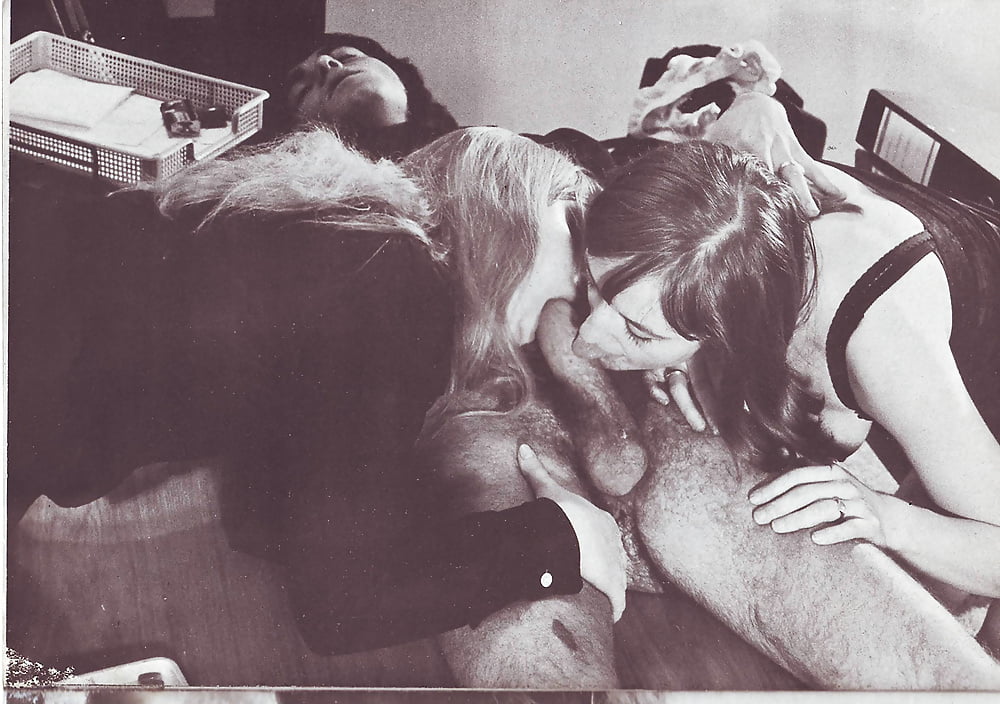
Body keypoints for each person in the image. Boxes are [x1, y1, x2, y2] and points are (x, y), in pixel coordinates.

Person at [6, 125, 627, 657]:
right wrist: (561, 538)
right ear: (504, 203)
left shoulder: (349, 234)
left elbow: (269, 515)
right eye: (575, 232)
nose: (581, 286)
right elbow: (344, 605)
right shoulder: (398, 286)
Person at [571, 138, 1000, 646]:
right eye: (595, 287)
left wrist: (891, 519)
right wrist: (667, 349)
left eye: (638, 331)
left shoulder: (885, 347)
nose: (585, 341)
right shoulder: (720, 213)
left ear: (734, 328)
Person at [276, 32, 458, 159]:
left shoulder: (470, 152)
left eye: (347, 57)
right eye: (304, 90)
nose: (324, 62)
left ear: (401, 78)